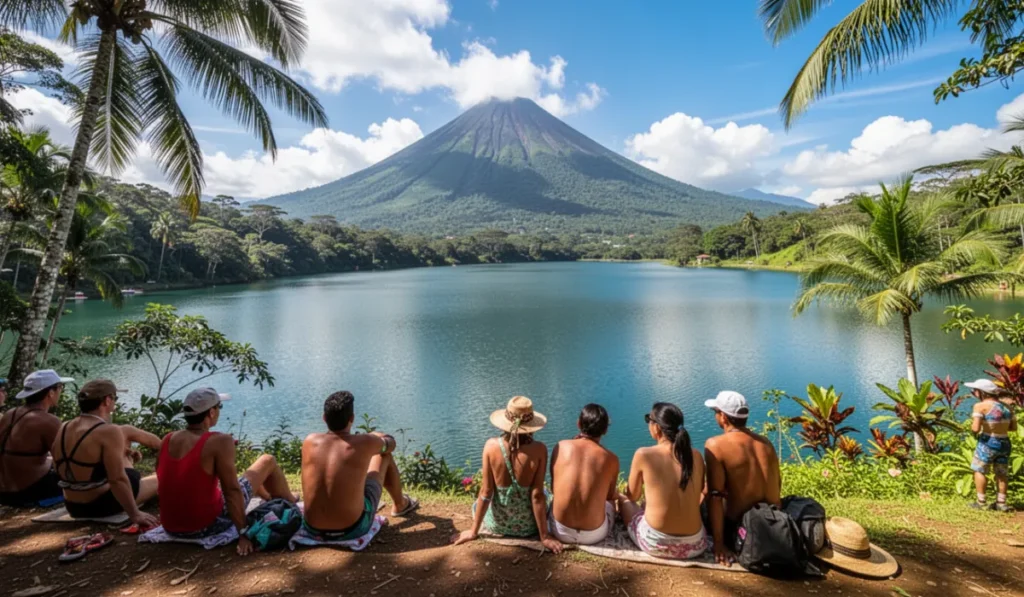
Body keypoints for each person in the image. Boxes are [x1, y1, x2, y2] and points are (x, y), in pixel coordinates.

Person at [157, 388, 297, 555]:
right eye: (219, 407)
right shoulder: (219, 441)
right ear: (211, 413)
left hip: (171, 527)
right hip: (206, 526)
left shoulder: (168, 439)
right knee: (267, 461)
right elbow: (231, 490)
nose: (219, 411)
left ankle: (268, 497)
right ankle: (290, 501)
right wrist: (243, 533)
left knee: (243, 480)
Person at [301, 391, 419, 543]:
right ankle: (400, 504)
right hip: (352, 529)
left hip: (312, 529)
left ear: (324, 418)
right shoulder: (364, 442)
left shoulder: (309, 441)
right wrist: (376, 436)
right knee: (384, 456)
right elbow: (391, 445)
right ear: (352, 418)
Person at [452, 396, 562, 553]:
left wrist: (473, 531)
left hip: (498, 524)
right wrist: (544, 536)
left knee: (476, 505)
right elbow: (537, 495)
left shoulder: (490, 446)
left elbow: (486, 492)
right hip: (529, 527)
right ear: (531, 425)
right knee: (546, 493)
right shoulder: (539, 450)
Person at [53, 380, 160, 526]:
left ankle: (128, 461)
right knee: (161, 479)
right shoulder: (109, 431)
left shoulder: (65, 426)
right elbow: (117, 479)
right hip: (101, 505)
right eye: (115, 398)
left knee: (122, 452)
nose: (115, 402)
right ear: (107, 400)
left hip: (73, 505)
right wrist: (134, 514)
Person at [617, 402, 707, 560]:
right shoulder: (696, 456)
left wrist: (623, 495)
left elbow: (633, 496)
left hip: (657, 544)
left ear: (657, 427)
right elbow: (699, 492)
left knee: (624, 501)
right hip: (695, 544)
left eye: (649, 420)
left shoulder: (643, 454)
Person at [703, 390, 781, 566]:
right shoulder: (765, 443)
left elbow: (716, 497)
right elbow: (778, 483)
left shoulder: (715, 445)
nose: (715, 416)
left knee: (704, 496)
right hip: (775, 523)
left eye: (715, 412)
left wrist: (719, 544)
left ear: (723, 417)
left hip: (742, 529)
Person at [549, 403, 619, 545]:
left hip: (560, 530)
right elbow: (609, 496)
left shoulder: (560, 446)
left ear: (578, 423)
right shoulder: (611, 459)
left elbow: (553, 488)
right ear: (605, 430)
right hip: (594, 535)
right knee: (612, 502)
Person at [0, 370, 71, 506]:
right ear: (50, 393)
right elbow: (66, 461)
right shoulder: (48, 421)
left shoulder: (10, 413)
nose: (61, 391)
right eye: (60, 387)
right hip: (25, 493)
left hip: (3, 492)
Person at [966, 379, 1017, 511]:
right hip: (1004, 442)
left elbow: (975, 428)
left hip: (988, 441)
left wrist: (976, 425)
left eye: (975, 391)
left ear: (982, 392)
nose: (973, 393)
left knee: (979, 469)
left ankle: (981, 502)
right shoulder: (1007, 407)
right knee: (1001, 472)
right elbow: (1013, 428)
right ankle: (1001, 503)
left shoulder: (980, 406)